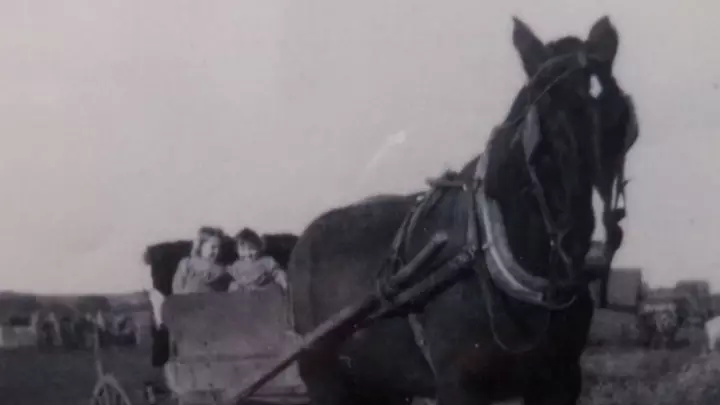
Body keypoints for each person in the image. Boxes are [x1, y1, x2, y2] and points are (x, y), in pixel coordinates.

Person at [227, 228, 288, 292]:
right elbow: (229, 276)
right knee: (233, 285)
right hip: (244, 292)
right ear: (237, 250)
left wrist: (281, 279)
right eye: (243, 250)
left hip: (263, 291)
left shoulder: (266, 261)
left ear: (259, 248)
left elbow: (276, 271)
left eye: (251, 249)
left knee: (280, 276)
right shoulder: (236, 265)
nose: (247, 253)